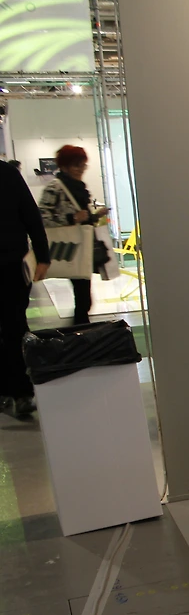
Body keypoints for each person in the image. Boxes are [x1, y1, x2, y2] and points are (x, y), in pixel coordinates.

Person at [0, 155, 49, 418]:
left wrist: (43, 256)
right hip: (11, 264)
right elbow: (32, 216)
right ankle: (12, 391)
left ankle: (20, 391)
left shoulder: (7, 175)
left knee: (15, 327)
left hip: (11, 266)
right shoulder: (8, 174)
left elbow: (31, 217)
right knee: (13, 327)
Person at [39, 145, 108, 325]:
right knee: (83, 295)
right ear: (64, 166)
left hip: (83, 245)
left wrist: (95, 216)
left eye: (83, 165)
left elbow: (83, 219)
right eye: (76, 165)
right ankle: (81, 329)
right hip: (70, 247)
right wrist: (72, 218)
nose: (80, 169)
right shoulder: (55, 187)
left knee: (84, 295)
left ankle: (81, 327)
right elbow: (42, 217)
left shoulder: (79, 188)